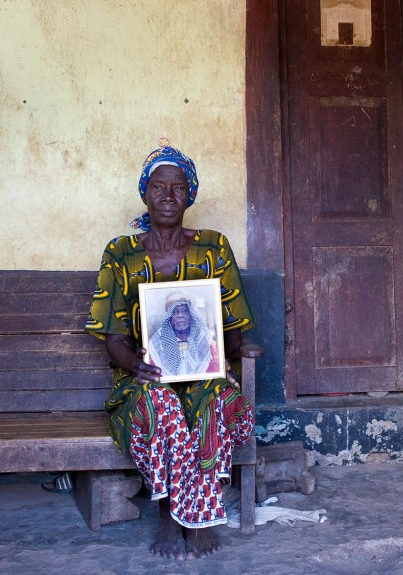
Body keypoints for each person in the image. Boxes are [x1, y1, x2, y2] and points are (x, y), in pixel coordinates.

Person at [85, 141, 254, 560]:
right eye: (158, 188)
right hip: (144, 380)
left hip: (202, 374)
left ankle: (200, 519)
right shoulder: (120, 252)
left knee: (218, 399)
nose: (167, 197)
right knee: (162, 405)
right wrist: (136, 366)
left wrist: (229, 359)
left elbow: (232, 323)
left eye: (178, 188)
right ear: (144, 193)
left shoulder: (213, 247)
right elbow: (112, 337)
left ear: (189, 195)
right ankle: (170, 514)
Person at [146, 292, 218, 378]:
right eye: (175, 312)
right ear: (169, 316)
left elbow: (214, 367)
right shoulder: (157, 342)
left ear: (190, 314)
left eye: (184, 311)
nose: (180, 315)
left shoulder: (203, 337)